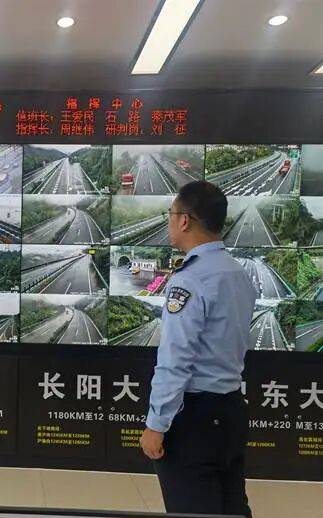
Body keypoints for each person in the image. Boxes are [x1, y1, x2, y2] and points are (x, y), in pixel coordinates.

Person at [139, 181, 257, 517]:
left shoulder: (189, 280)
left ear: (184, 220)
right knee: (232, 508)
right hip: (231, 410)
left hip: (194, 419)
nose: (169, 222)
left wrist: (156, 424)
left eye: (170, 214)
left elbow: (176, 360)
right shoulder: (237, 273)